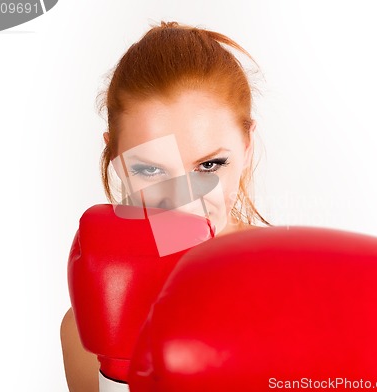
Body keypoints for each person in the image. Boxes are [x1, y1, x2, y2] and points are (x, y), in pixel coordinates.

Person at [60, 20, 270, 391]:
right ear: (118, 159)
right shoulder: (87, 332)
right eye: (150, 169)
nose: (183, 201)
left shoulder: (302, 287)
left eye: (209, 165)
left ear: (247, 147)